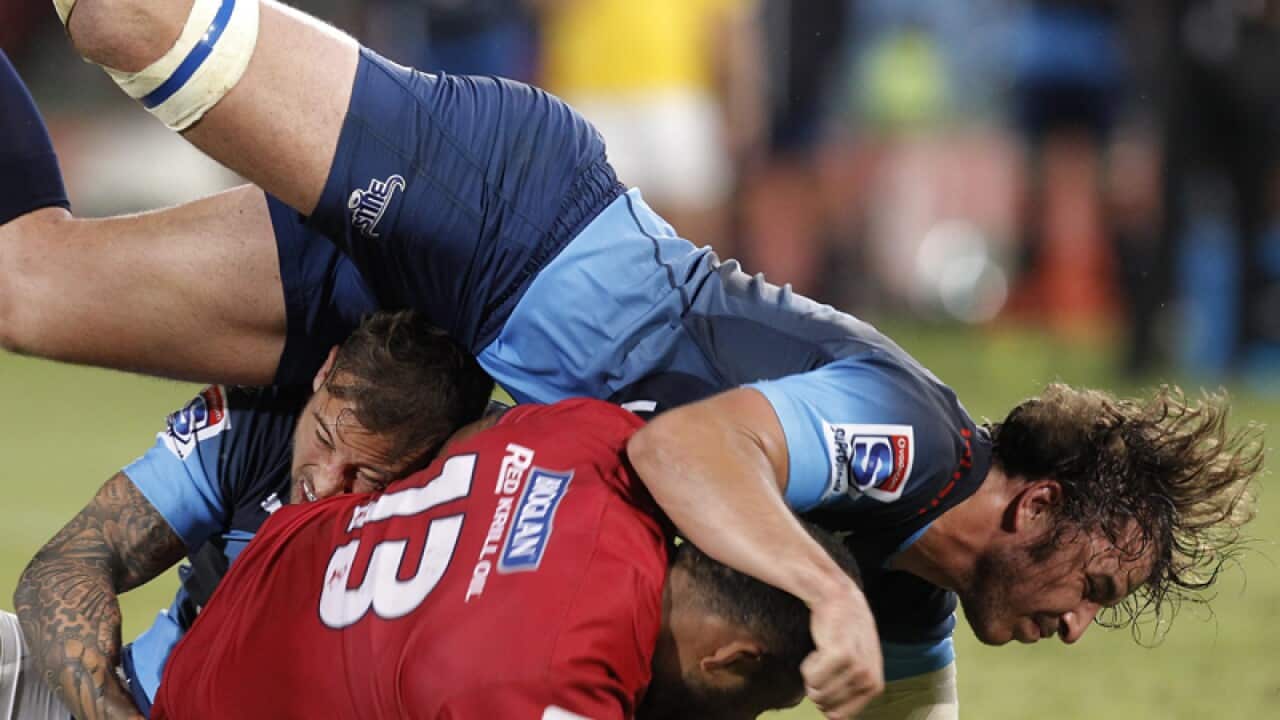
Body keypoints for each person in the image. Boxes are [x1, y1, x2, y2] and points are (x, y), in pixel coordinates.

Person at [1, 4, 1265, 716]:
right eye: (1094, 585)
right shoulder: (914, 441)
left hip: (440, 315)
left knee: (29, 285)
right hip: (503, 212)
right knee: (129, 20)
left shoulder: (913, 586)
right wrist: (821, 596)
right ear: (1035, 503)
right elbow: (688, 445)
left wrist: (855, 612)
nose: (1080, 627)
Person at [150, 398, 863, 720]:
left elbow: (479, 438)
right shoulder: (561, 685)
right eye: (763, 708)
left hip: (270, 562)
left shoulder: (596, 441)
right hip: (201, 699)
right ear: (733, 660)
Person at [8, 309, 493, 719]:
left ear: (439, 459)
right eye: (322, 439)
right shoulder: (259, 424)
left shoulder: (479, 494)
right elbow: (62, 571)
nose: (324, 483)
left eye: (366, 473)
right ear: (324, 374)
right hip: (133, 699)